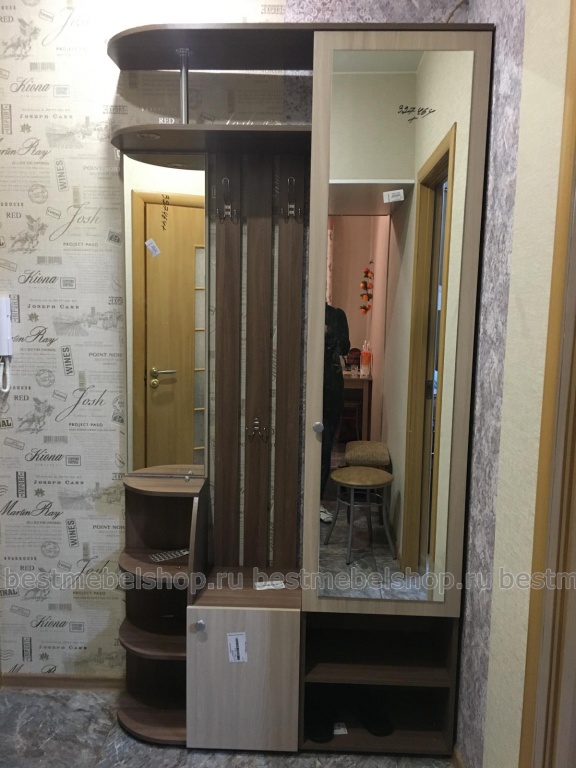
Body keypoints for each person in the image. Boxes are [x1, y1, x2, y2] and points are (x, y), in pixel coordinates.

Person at [320, 302, 350, 522]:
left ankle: (318, 501)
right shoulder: (301, 314)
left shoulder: (337, 315)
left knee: (324, 449)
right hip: (308, 388)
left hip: (331, 390)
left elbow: (345, 347)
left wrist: (327, 334)